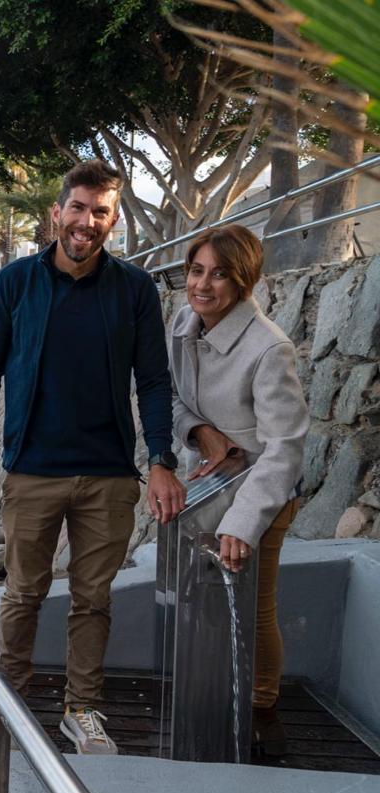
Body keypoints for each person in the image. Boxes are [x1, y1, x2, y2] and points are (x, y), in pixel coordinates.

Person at [0, 159, 186, 756]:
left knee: (94, 599)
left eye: (101, 212)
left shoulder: (135, 290)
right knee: (23, 592)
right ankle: (9, 701)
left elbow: (155, 381)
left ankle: (82, 711)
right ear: (57, 212)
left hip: (110, 475)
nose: (87, 221)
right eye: (79, 208)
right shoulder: (15, 283)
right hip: (33, 468)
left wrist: (161, 458)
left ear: (112, 220)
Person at [169, 224, 309, 757]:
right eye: (197, 270)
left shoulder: (269, 348)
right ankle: (218, 696)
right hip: (214, 481)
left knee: (256, 607)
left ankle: (262, 706)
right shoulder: (184, 323)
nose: (204, 284)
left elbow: (285, 448)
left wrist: (241, 524)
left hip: (261, 494)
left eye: (220, 274)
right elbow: (173, 401)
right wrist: (203, 435)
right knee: (208, 604)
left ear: (244, 280)